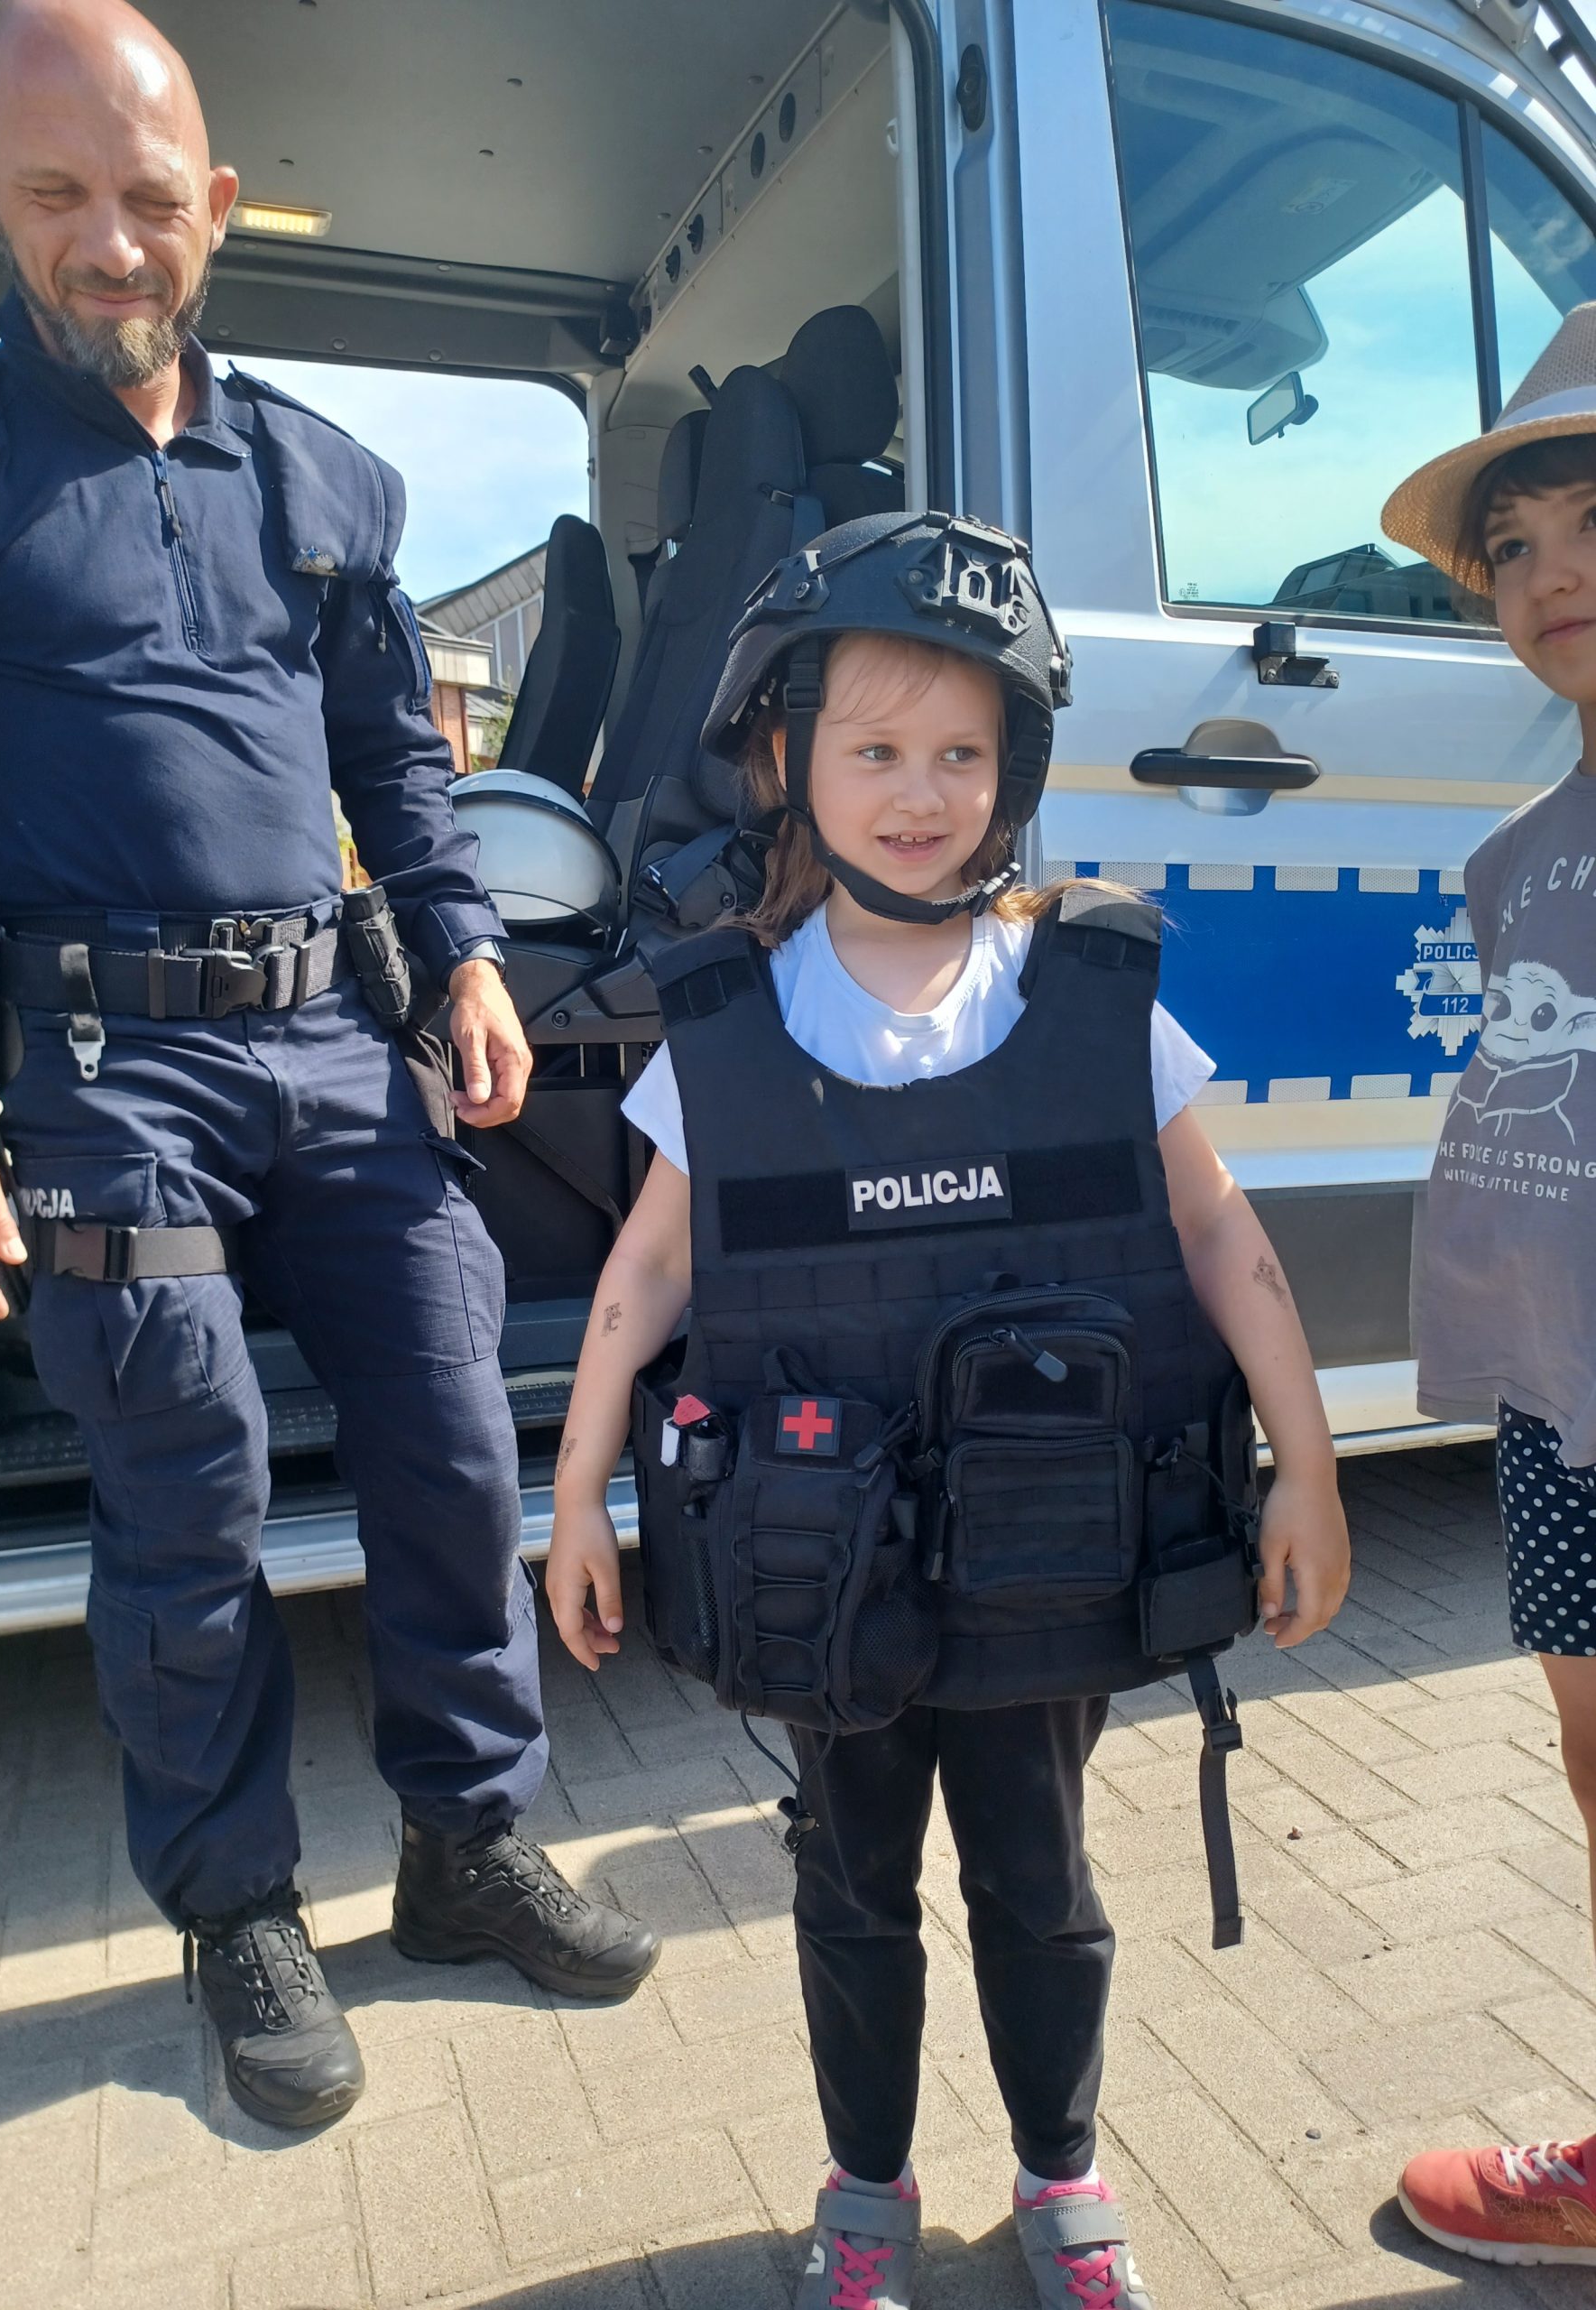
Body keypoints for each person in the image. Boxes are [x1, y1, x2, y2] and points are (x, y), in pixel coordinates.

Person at [0, 0, 656, 2131]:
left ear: (215, 204)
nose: (110, 244)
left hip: (332, 1035)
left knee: (453, 1427)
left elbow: (401, 763)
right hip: (105, 1062)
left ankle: (468, 1845)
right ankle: (235, 1911)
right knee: (187, 1469)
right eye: (58, 195)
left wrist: (463, 956)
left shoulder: (319, 477)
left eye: (148, 197)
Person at [545, 511, 1350, 2309]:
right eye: (876, 750)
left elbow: (1219, 1230)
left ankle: (1062, 2173)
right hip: (818, 1578)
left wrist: (1310, 1465)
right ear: (788, 763)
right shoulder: (725, 1023)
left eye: (963, 754)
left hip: (1046, 1566)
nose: (921, 793)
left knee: (1041, 1883)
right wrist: (581, 1487)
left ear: (1017, 771)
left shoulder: (1097, 998)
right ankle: (867, 2184)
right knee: (851, 1889)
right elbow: (648, 1274)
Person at [1382, 306, 1596, 2265]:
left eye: (1594, 522)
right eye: (1512, 546)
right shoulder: (1517, 857)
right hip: (1555, 1388)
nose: (1549, 576)